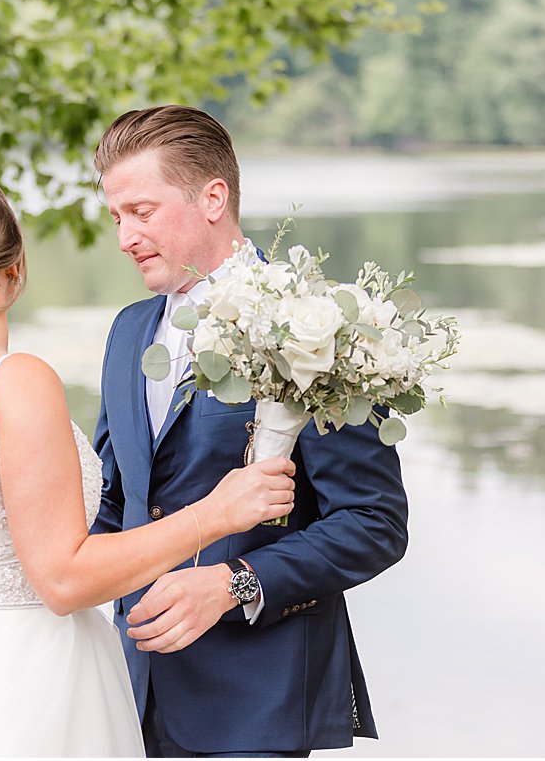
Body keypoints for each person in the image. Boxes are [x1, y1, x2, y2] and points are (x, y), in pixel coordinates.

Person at [0, 168, 296, 757]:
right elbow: (63, 578)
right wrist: (216, 513)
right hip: (29, 685)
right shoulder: (14, 381)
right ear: (15, 268)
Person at [91, 106, 409, 758]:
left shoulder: (316, 324)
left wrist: (233, 582)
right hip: (130, 697)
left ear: (213, 197)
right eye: (116, 216)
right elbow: (116, 504)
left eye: (142, 211)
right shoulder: (128, 332)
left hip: (255, 707)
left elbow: (375, 522)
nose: (125, 236)